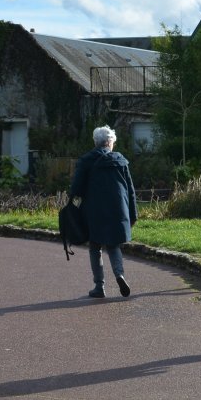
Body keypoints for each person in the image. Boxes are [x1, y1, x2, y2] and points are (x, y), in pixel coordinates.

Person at [70, 125, 139, 298]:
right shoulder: (121, 161)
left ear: (96, 142)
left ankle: (99, 286)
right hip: (118, 209)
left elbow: (76, 189)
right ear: (109, 142)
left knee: (95, 247)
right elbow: (130, 190)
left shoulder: (86, 161)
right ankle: (119, 274)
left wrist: (73, 207)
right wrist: (133, 214)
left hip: (94, 211)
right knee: (114, 245)